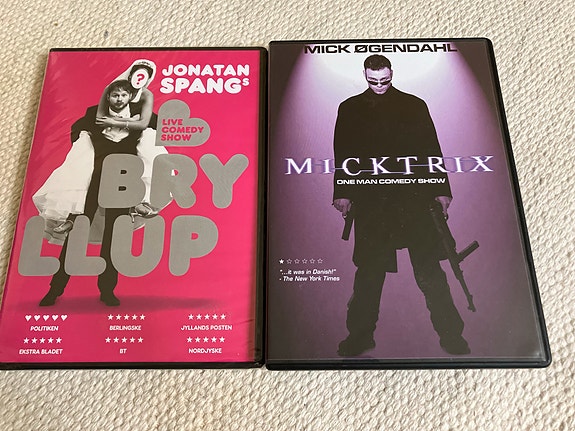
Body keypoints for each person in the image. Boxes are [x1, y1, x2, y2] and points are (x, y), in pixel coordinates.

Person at [332, 54, 470, 356]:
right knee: (369, 272)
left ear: (392, 73)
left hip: (415, 198)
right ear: (365, 75)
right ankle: (360, 336)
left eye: (384, 80)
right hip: (372, 200)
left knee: (429, 270)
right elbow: (343, 153)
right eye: (373, 81)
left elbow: (431, 149)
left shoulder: (414, 105)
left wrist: (441, 190)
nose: (379, 85)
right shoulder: (350, 108)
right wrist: (343, 192)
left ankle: (451, 335)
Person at [38, 78, 153, 307]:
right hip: (92, 182)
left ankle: (107, 290)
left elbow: (152, 130)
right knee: (77, 230)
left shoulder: (141, 117)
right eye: (114, 95)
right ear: (108, 96)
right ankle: (55, 288)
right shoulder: (93, 114)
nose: (119, 99)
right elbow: (76, 135)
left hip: (122, 185)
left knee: (114, 237)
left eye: (124, 95)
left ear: (130, 96)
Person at [33, 59, 165, 243]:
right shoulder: (112, 89)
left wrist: (124, 122)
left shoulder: (146, 95)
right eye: (137, 75)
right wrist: (122, 121)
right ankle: (73, 218)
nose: (139, 79)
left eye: (144, 77)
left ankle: (136, 203)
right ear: (131, 74)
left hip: (131, 135)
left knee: (132, 166)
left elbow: (143, 122)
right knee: (90, 172)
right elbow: (100, 119)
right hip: (103, 133)